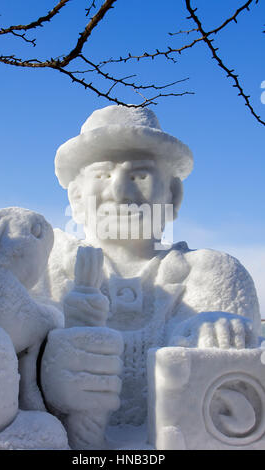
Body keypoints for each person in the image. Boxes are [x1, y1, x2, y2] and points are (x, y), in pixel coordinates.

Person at [31, 105, 261, 447]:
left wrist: (216, 338)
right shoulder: (43, 268)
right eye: (103, 176)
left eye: (139, 175)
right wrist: (43, 375)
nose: (120, 191)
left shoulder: (213, 274)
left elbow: (243, 405)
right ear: (76, 198)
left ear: (173, 195)